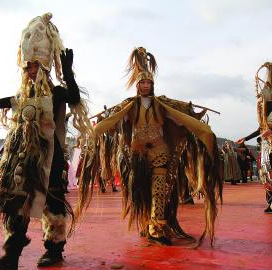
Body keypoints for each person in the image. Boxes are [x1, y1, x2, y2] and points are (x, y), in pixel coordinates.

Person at [0, 12, 92, 270]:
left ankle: (54, 249)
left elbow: (74, 96)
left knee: (53, 204)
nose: (28, 70)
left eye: (32, 66)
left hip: (53, 158)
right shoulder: (21, 97)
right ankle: (12, 254)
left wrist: (69, 72)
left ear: (43, 67)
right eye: (26, 66)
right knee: (19, 204)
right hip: (26, 160)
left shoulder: (56, 93)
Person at [76, 47, 222, 246]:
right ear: (137, 85)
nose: (145, 85)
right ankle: (146, 224)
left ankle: (157, 229)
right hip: (137, 155)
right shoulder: (128, 106)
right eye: (142, 82)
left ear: (152, 84)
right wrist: (95, 129)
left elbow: (182, 120)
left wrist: (197, 122)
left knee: (159, 191)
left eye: (148, 82)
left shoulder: (162, 106)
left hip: (160, 152)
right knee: (141, 192)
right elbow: (113, 122)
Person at [236, 62, 272, 213]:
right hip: (266, 144)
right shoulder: (265, 111)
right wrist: (245, 138)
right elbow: (261, 129)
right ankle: (270, 202)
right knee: (265, 171)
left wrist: (270, 131)